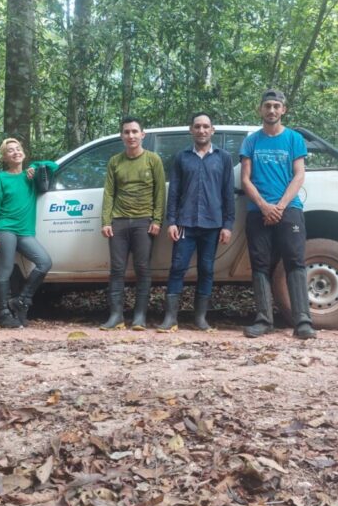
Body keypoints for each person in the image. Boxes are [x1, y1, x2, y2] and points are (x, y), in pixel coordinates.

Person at [240, 89, 316, 339]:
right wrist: (263, 206)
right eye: (267, 106)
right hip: (257, 211)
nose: (271, 110)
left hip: (290, 209)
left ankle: (303, 320)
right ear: (260, 109)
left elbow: (299, 175)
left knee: (294, 261)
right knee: (260, 264)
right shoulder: (251, 141)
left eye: (276, 106)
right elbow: (245, 179)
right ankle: (264, 320)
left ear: (283, 109)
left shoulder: (294, 139)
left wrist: (280, 206)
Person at [157, 112, 235, 332]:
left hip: (212, 225)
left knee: (207, 269)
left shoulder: (223, 158)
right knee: (177, 268)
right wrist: (171, 221)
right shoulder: (182, 157)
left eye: (205, 126)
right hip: (185, 223)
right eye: (197, 126)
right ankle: (170, 318)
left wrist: (228, 225)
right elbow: (174, 192)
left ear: (213, 130)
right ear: (191, 130)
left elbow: (228, 193)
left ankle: (200, 319)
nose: (202, 130)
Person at [100, 116, 166, 330]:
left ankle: (139, 316)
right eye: (127, 132)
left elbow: (160, 192)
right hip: (118, 222)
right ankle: (116, 316)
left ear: (142, 135)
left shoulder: (153, 159)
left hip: (143, 221)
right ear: (122, 136)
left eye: (135, 131)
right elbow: (109, 193)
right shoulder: (115, 161)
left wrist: (157, 220)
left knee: (143, 268)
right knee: (117, 270)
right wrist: (106, 220)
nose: (131, 136)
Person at [0, 138, 58, 328]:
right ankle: (3, 314)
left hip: (25, 231)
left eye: (18, 149)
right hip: (5, 228)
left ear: (23, 153)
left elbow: (54, 166)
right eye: (10, 150)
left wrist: (36, 166)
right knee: (6, 269)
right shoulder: (1, 178)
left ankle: (21, 301)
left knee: (44, 262)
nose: (15, 152)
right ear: (4, 157)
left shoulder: (30, 176)